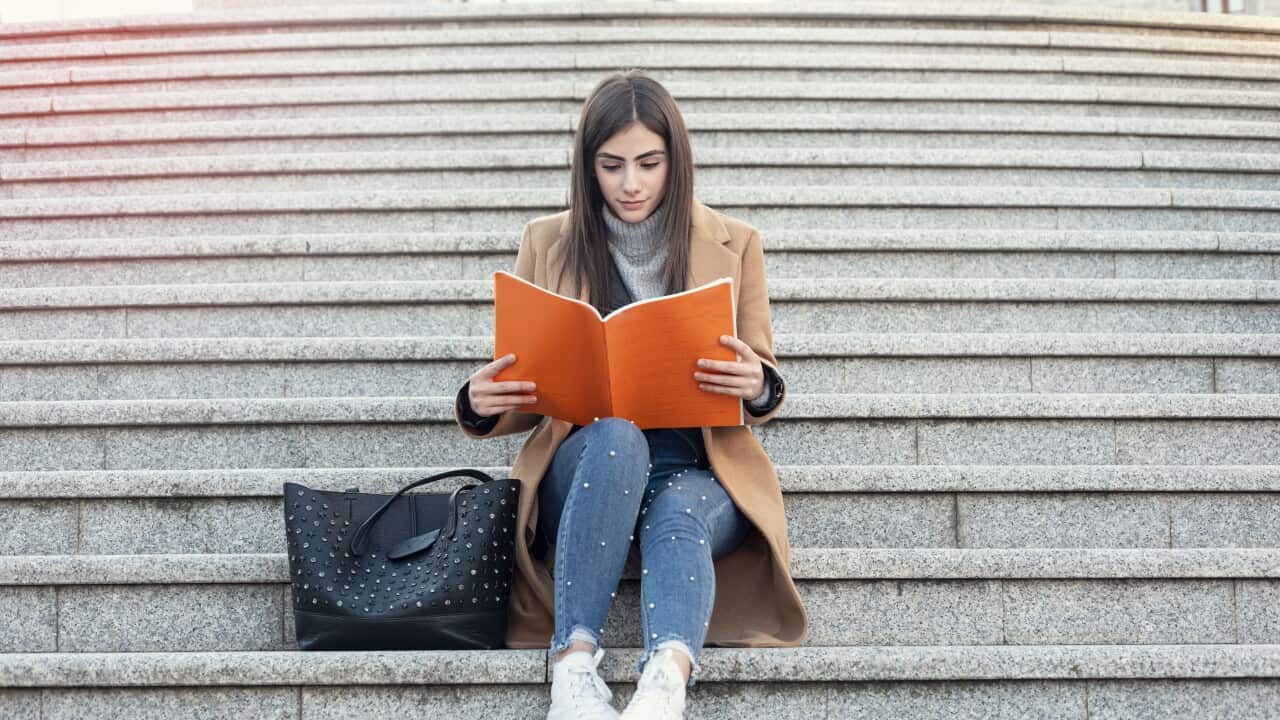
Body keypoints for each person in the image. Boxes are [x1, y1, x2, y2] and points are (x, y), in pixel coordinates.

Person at [453, 70, 808, 720]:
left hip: (698, 470)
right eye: (611, 166)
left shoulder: (737, 244)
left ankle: (663, 685)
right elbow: (529, 386)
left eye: (649, 163)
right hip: (590, 465)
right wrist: (482, 398)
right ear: (589, 168)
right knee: (616, 437)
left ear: (676, 160)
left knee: (677, 508)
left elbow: (763, 375)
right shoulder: (548, 242)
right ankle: (574, 668)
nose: (632, 183)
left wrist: (757, 384)